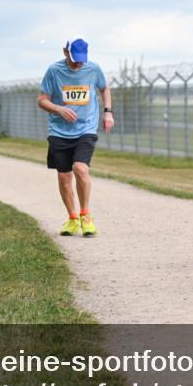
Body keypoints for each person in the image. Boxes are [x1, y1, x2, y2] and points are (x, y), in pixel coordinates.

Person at [37, 39, 114, 237]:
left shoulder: (93, 69)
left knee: (80, 168)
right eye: (74, 60)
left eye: (81, 60)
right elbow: (42, 100)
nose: (78, 64)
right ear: (65, 52)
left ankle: (85, 216)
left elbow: (104, 88)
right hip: (59, 131)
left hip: (85, 129)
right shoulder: (54, 71)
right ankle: (72, 219)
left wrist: (108, 111)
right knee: (64, 177)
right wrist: (59, 109)